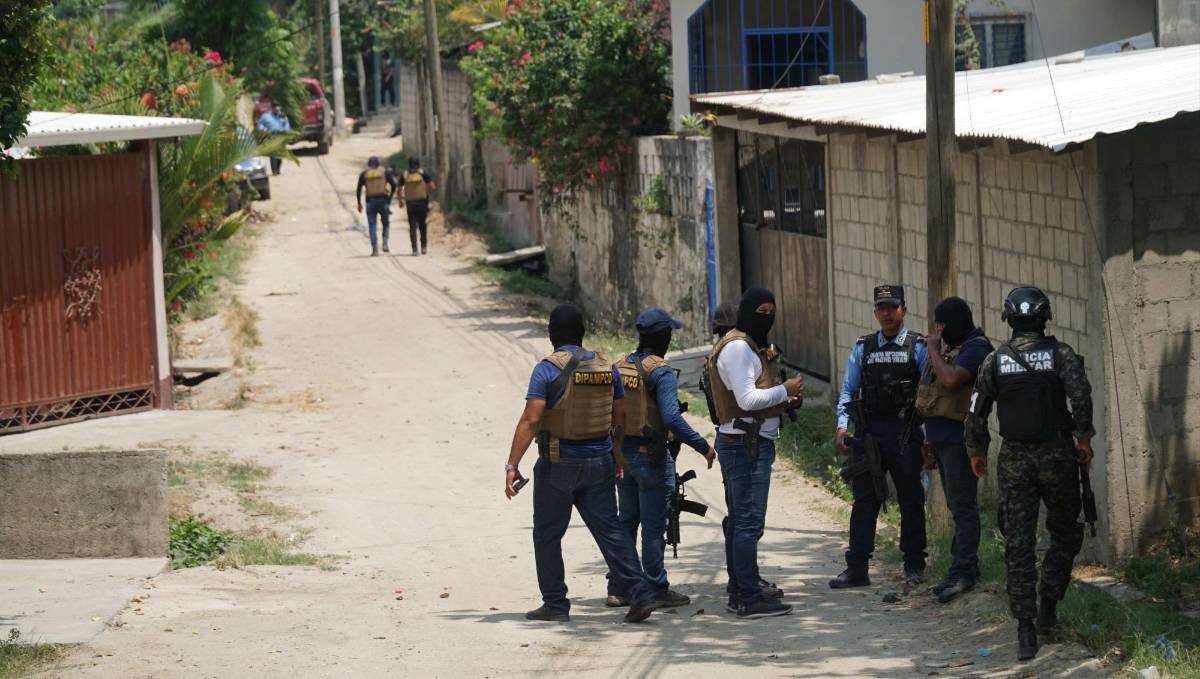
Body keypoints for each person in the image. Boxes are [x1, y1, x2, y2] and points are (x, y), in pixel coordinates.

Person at [504, 304, 657, 624]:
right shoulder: (606, 367)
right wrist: (616, 455)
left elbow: (531, 420)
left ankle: (555, 604)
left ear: (551, 334)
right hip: (599, 461)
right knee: (611, 531)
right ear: (582, 333)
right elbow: (620, 416)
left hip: (558, 463)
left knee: (547, 535)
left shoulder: (547, 370)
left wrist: (512, 465)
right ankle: (641, 593)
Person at [965, 287, 1094, 662]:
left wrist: (977, 451)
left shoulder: (994, 361)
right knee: (1065, 533)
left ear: (1008, 318)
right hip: (1057, 456)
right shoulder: (1061, 354)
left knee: (1018, 542)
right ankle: (1048, 608)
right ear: (1045, 317)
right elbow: (1080, 399)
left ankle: (1025, 629)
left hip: (1015, 460)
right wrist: (1083, 439)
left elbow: (976, 411)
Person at [606, 309, 717, 609]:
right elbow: (671, 417)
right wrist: (702, 446)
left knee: (627, 522)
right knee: (654, 527)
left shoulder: (621, 365)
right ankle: (655, 586)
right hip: (651, 457)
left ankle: (619, 587)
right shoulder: (662, 372)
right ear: (665, 337)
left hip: (623, 454)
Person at [704, 288, 803, 619]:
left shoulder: (751, 346)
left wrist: (786, 401)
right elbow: (746, 400)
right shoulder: (738, 348)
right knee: (747, 523)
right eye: (761, 311)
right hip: (745, 446)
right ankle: (748, 596)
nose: (768, 317)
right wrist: (784, 390)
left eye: (772, 311)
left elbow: (759, 393)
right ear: (746, 311)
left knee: (741, 521)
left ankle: (740, 589)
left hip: (749, 443)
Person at [832, 284, 929, 590]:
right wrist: (842, 426)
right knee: (864, 500)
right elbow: (849, 390)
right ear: (875, 312)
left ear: (904, 310)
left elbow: (929, 394)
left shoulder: (918, 347)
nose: (886, 314)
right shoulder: (864, 347)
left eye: (892, 307)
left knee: (911, 499)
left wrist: (928, 438)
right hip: (869, 434)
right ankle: (857, 567)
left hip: (904, 433)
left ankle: (914, 565)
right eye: (881, 308)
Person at [916, 297, 993, 603]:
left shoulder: (977, 348)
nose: (938, 331)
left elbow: (950, 381)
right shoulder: (954, 348)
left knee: (963, 507)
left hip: (961, 441)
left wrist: (934, 351)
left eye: (942, 325)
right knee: (956, 506)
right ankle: (960, 567)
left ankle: (964, 572)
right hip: (942, 438)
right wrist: (928, 438)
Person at [356, 156, 398, 257]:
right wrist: (390, 198)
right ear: (378, 164)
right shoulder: (385, 172)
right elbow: (394, 185)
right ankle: (385, 242)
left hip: (370, 202)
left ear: (369, 165)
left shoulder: (364, 174)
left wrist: (359, 203)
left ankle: (375, 249)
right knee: (386, 223)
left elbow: (358, 189)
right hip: (383, 201)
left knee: (372, 225)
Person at [398, 157, 435, 256]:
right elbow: (432, 187)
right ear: (418, 164)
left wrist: (400, 201)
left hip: (410, 204)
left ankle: (414, 249)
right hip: (422, 203)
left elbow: (399, 189)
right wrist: (426, 191)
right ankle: (424, 247)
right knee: (422, 225)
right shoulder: (422, 173)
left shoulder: (405, 174)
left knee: (412, 226)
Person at [255, 102, 291, 176]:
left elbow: (287, 124)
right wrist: (263, 129)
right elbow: (259, 124)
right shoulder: (266, 116)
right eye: (275, 108)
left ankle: (278, 169)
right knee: (273, 155)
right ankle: (274, 170)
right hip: (271, 137)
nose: (277, 109)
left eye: (278, 107)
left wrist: (286, 131)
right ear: (272, 108)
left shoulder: (282, 116)